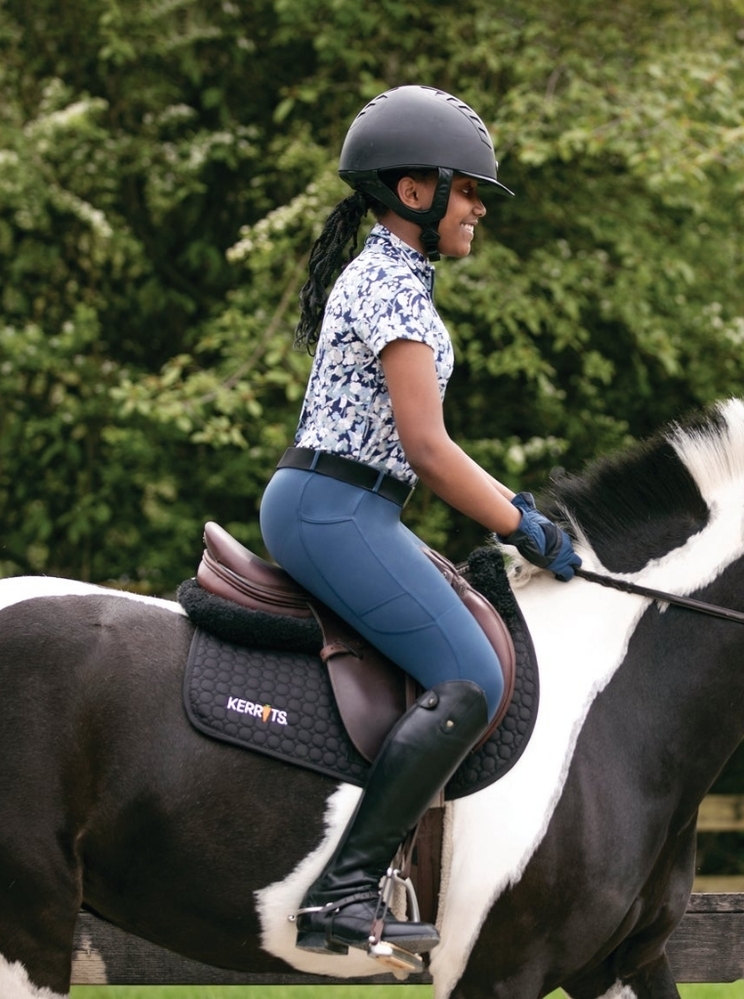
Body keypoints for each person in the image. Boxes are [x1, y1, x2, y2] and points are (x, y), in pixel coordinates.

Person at [259, 85, 581, 962]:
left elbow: (429, 451)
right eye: (468, 190)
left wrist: (518, 511)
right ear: (414, 191)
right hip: (333, 507)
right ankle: (344, 891)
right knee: (470, 672)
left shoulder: (399, 282)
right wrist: (521, 526)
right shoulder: (388, 287)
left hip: (355, 504)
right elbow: (430, 452)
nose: (480, 208)